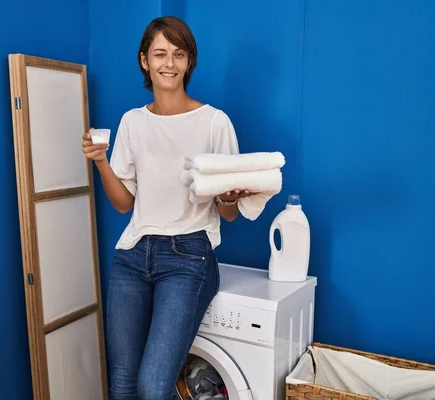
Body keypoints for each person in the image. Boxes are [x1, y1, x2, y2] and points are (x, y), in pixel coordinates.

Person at [82, 15, 251, 400]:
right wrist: (101, 161)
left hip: (188, 256)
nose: (169, 63)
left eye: (178, 54)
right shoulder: (132, 122)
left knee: (154, 386)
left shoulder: (214, 122)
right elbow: (124, 204)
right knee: (122, 381)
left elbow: (228, 213)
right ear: (145, 60)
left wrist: (229, 196)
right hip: (132, 257)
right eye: (160, 53)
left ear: (189, 61)